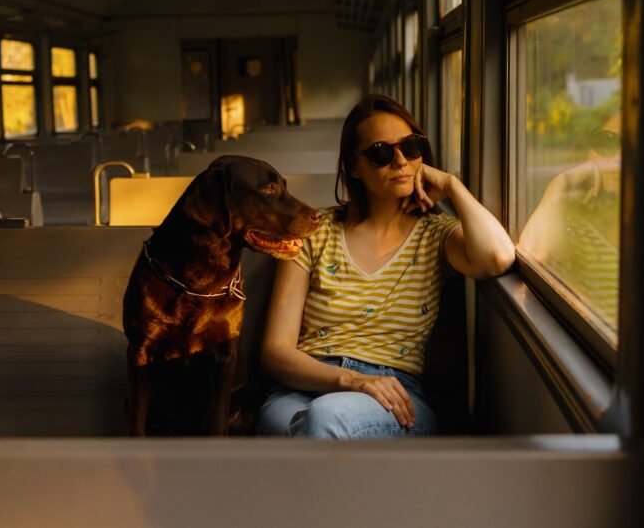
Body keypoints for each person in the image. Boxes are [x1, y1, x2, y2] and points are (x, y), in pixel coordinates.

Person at [256, 94, 515, 438]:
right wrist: (349, 380)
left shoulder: (435, 234)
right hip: (302, 387)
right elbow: (275, 351)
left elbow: (498, 257)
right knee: (313, 421)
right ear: (353, 166)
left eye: (410, 147)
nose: (400, 161)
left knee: (323, 422)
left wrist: (453, 186)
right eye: (380, 152)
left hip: (394, 394)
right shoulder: (315, 232)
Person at [518, 111, 622, 327]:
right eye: (606, 143)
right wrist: (560, 185)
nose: (618, 157)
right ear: (588, 154)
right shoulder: (575, 224)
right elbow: (531, 260)